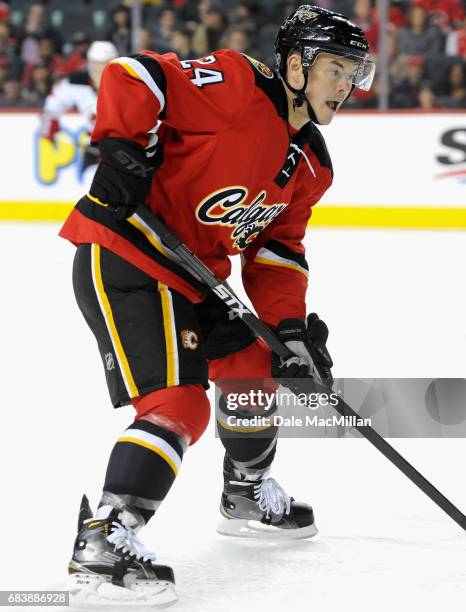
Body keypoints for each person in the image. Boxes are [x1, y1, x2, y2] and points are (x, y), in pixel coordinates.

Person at [59, 5, 374, 607]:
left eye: (354, 70)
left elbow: (278, 249)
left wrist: (290, 327)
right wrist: (123, 144)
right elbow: (134, 73)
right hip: (129, 251)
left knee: (258, 364)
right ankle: (106, 535)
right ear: (294, 64)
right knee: (178, 404)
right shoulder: (234, 84)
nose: (346, 84)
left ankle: (246, 492)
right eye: (336, 67)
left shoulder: (311, 164)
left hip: (199, 275)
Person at [40, 41, 117, 170]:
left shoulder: (126, 82)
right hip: (93, 146)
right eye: (95, 63)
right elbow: (53, 103)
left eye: (104, 63)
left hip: (122, 146)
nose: (99, 68)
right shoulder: (77, 81)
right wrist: (50, 127)